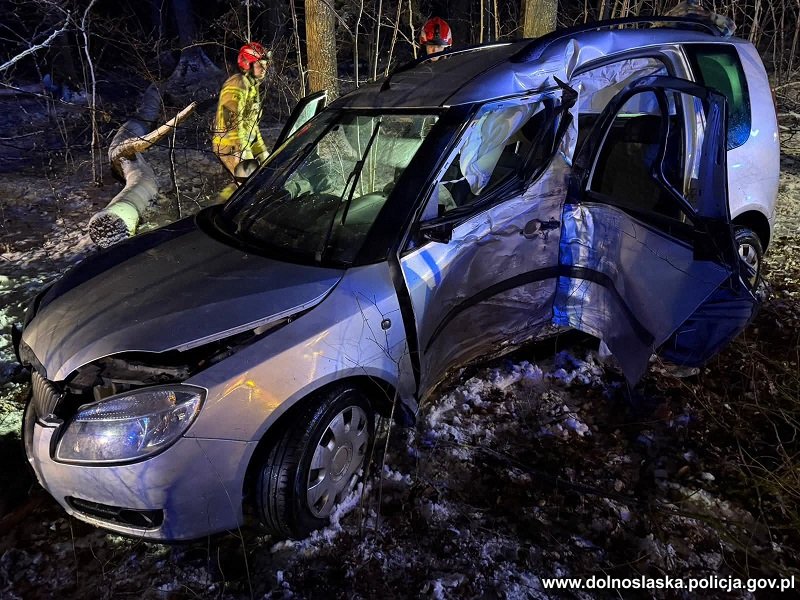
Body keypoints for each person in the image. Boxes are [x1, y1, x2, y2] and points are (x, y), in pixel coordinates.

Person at [212, 42, 271, 201]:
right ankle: (221, 207)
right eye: (259, 65)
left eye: (265, 65)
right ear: (247, 64)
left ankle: (227, 206)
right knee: (247, 182)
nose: (264, 69)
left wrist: (261, 151)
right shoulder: (238, 83)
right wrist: (242, 149)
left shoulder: (252, 86)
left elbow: (251, 125)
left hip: (240, 142)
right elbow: (231, 118)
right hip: (230, 144)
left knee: (253, 180)